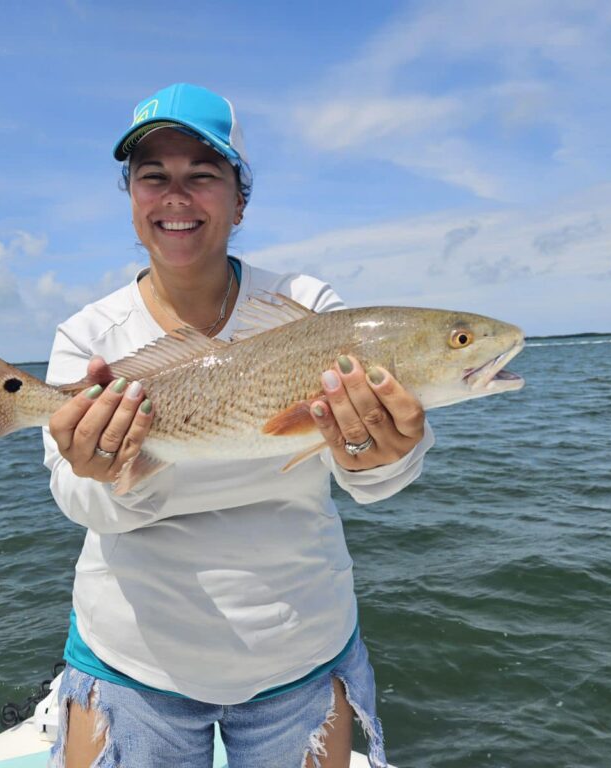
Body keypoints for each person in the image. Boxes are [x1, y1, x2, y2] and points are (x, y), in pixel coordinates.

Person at [43, 83, 434, 768]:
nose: (175, 196)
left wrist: (384, 456)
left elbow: (369, 483)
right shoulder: (90, 336)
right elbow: (77, 500)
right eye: (153, 176)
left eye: (202, 176)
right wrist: (115, 474)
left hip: (300, 652)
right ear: (131, 196)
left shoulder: (307, 306)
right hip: (131, 658)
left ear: (240, 199)